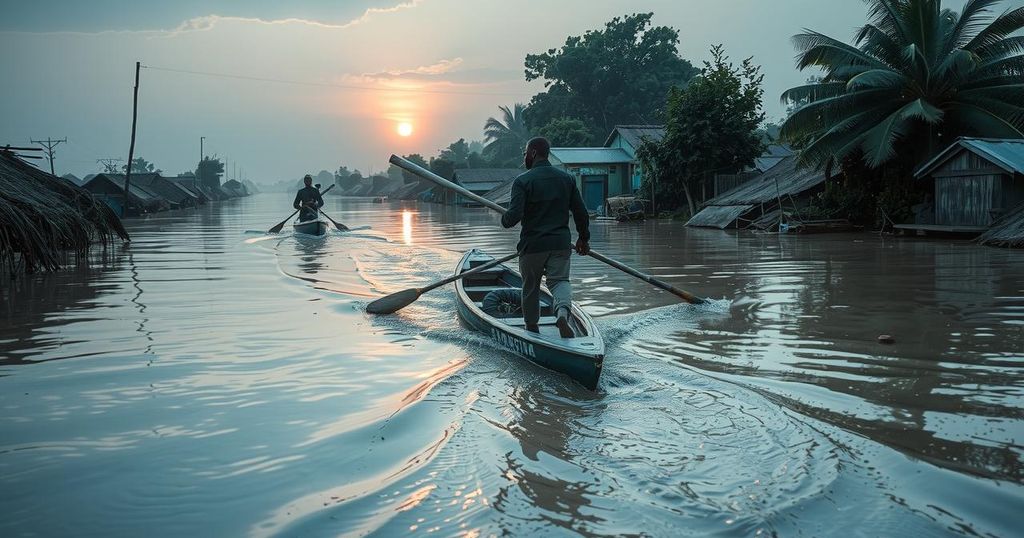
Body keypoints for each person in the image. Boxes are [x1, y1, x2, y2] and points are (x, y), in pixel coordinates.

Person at [501, 137, 590, 338]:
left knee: (530, 286)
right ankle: (562, 313)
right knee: (560, 282)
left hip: (532, 246)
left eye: (525, 153)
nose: (524, 157)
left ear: (533, 153)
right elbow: (581, 213)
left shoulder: (523, 181)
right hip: (560, 244)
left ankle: (532, 329)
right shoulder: (567, 179)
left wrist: (504, 218)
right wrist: (583, 238)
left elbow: (512, 217)